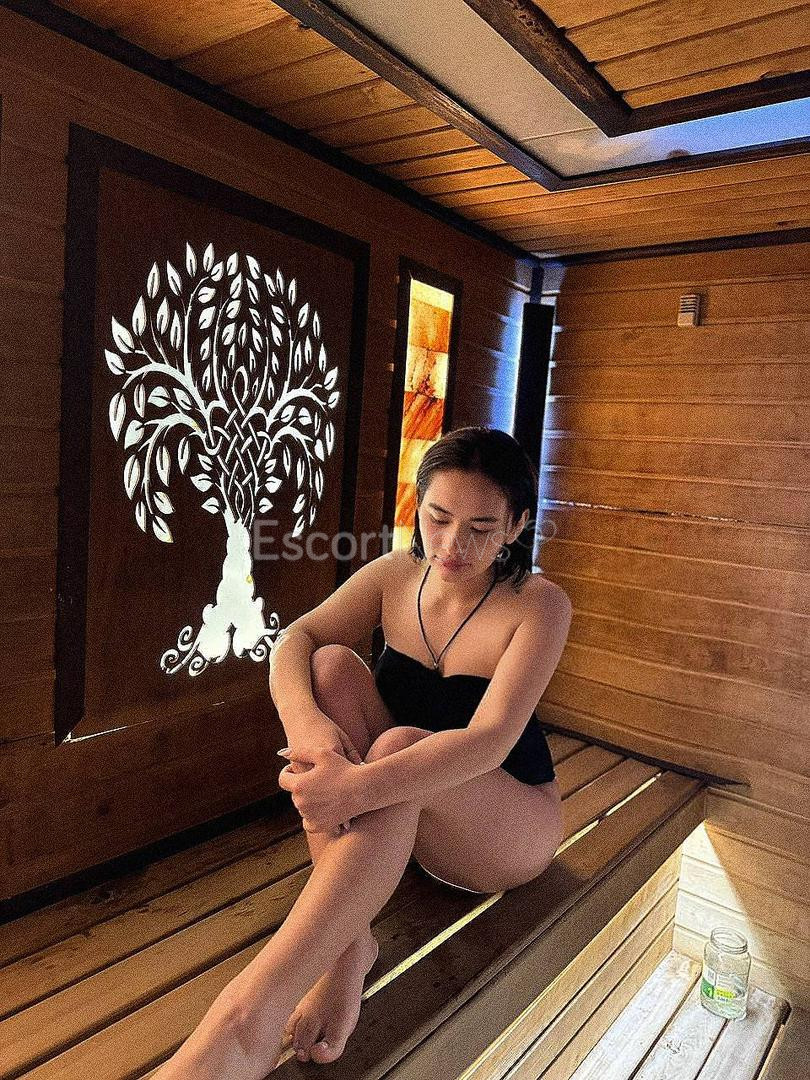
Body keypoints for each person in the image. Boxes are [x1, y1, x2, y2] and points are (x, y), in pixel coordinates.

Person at [152, 426, 572, 1078]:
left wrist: (352, 787)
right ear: (418, 505)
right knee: (329, 668)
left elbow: (489, 742)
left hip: (506, 827)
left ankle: (247, 1018)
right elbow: (295, 640)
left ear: (515, 526)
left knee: (402, 748)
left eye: (481, 528)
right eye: (437, 518)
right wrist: (310, 730)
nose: (452, 545)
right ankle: (349, 950)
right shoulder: (395, 575)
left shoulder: (540, 606)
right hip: (397, 814)